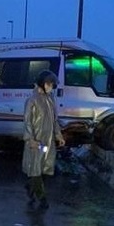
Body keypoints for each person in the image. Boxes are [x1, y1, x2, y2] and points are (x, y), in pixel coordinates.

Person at [22, 70, 65, 209]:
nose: (51, 86)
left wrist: (59, 135)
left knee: (45, 168)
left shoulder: (50, 99)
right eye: (49, 84)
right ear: (42, 83)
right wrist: (30, 140)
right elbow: (27, 121)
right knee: (35, 168)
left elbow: (54, 120)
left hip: (49, 141)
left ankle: (31, 186)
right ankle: (42, 198)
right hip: (36, 141)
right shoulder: (32, 100)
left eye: (52, 84)